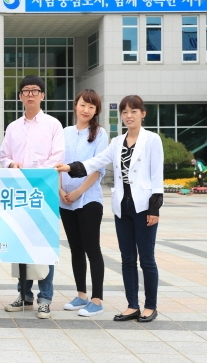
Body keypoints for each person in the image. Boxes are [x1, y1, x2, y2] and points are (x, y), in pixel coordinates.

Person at [56, 95, 164, 323]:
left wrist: (155, 208)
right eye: (124, 112)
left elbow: (157, 176)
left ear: (143, 114)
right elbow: (96, 162)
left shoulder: (152, 140)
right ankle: (132, 305)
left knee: (146, 258)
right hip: (122, 206)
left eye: (134, 111)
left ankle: (150, 306)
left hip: (144, 206)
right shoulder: (117, 142)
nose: (129, 116)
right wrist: (70, 168)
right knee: (127, 258)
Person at [0, 75, 64, 319]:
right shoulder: (13, 127)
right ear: (20, 97)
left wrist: (34, 176)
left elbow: (57, 157)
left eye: (35, 90)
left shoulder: (53, 125)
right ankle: (24, 295)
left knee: (44, 246)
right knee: (20, 244)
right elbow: (3, 155)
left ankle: (45, 299)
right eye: (26, 91)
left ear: (42, 95)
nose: (30, 95)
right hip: (18, 194)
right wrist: (11, 164)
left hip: (43, 193)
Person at [59, 89, 108, 317]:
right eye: (82, 105)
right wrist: (60, 190)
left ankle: (97, 300)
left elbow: (98, 168)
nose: (86, 110)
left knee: (92, 248)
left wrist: (79, 191)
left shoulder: (100, 134)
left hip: (88, 199)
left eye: (91, 106)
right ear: (75, 106)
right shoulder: (64, 132)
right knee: (76, 249)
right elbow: (57, 163)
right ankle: (81, 295)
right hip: (65, 200)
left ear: (96, 110)